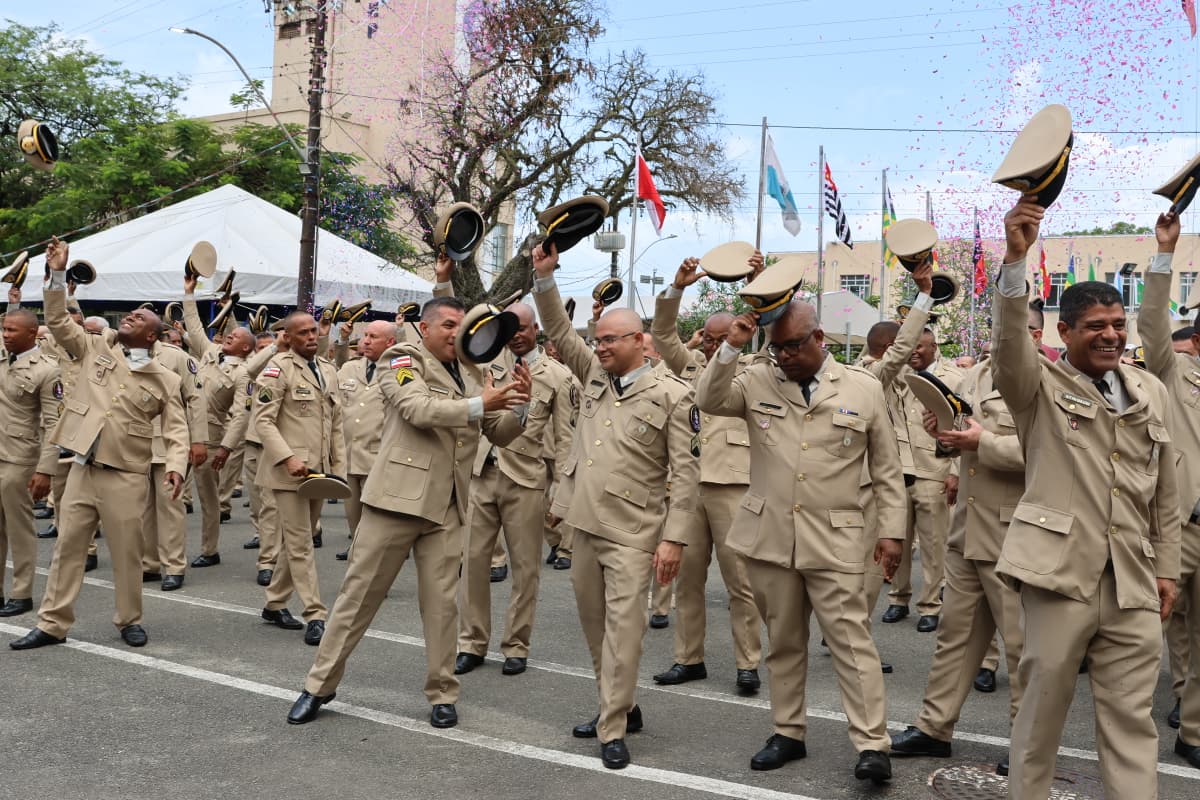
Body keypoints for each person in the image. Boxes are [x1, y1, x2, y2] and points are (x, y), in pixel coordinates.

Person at [992, 197, 1180, 797]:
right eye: (1096, 326)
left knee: (1131, 721)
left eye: (1117, 325)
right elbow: (1009, 353)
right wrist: (1016, 262)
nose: (1111, 335)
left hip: (1131, 581)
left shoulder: (1147, 388)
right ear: (1064, 332)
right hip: (1059, 578)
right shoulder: (1037, 386)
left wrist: (1168, 568)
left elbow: (1166, 491)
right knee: (1040, 718)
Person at [287, 296, 530, 730]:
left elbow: (498, 433)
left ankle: (442, 692)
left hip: (448, 507)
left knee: (441, 609)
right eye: (450, 325)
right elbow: (416, 409)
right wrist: (480, 405)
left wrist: (520, 407)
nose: (459, 333)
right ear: (426, 327)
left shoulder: (476, 372)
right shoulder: (402, 358)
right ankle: (318, 685)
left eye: (464, 326)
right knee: (357, 599)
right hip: (396, 501)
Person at [695, 299, 903, 785]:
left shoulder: (863, 388)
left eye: (792, 345)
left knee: (853, 644)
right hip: (771, 537)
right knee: (783, 642)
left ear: (819, 338)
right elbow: (708, 399)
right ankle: (788, 732)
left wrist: (893, 531)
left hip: (836, 538)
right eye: (776, 347)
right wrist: (731, 345)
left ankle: (873, 745)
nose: (783, 356)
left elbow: (888, 471)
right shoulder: (754, 378)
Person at [531, 242, 700, 771]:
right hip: (585, 524)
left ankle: (612, 727)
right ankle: (621, 702)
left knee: (624, 629)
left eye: (608, 340)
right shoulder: (593, 376)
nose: (598, 346)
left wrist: (672, 539)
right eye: (597, 339)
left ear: (640, 343)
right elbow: (559, 331)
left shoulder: (675, 395)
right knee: (594, 626)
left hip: (634, 530)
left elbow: (687, 473)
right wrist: (544, 278)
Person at [10, 236, 188, 650]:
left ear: (152, 337)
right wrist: (56, 272)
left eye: (140, 317)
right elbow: (56, 320)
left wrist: (176, 465)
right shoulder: (93, 349)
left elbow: (177, 429)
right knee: (67, 549)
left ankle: (129, 619)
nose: (130, 315)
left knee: (127, 555)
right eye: (130, 313)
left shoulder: (167, 378)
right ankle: (53, 623)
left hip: (126, 475)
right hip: (81, 468)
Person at [890, 304, 1043, 776]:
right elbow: (959, 435)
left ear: (1036, 334)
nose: (1005, 338)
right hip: (968, 527)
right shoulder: (975, 375)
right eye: (999, 329)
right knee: (955, 637)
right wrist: (944, 436)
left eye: (1019, 330)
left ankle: (1027, 745)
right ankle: (935, 728)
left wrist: (983, 443)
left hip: (1014, 530)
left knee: (1020, 646)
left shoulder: (1049, 383)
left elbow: (1049, 454)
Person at [647, 255, 764, 693]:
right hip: (690, 487)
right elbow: (661, 335)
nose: (713, 348)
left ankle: (747, 663)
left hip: (734, 485)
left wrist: (756, 281)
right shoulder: (692, 367)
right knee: (687, 580)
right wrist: (676, 290)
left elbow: (770, 336)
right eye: (709, 340)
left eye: (722, 340)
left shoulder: (755, 370)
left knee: (741, 583)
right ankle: (688, 658)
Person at [456, 302, 575, 677]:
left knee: (526, 570)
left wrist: (563, 491)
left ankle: (516, 645)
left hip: (525, 479)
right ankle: (472, 642)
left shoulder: (557, 376)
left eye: (522, 328)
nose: (516, 335)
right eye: (509, 329)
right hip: (482, 474)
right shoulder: (487, 367)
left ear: (536, 328)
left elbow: (566, 439)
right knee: (473, 564)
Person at [1138, 210, 1200, 770]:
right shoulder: (1176, 372)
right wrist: (1165, 255)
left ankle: (1194, 733)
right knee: (1141, 629)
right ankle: (1125, 722)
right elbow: (1154, 324)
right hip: (1176, 523)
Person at [252, 311, 346, 647]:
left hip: (318, 471)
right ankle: (315, 614)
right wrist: (287, 457)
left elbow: (336, 424)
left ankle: (275, 602)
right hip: (287, 472)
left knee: (300, 537)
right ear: (287, 338)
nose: (311, 336)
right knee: (302, 543)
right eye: (302, 332)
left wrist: (339, 470)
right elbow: (263, 421)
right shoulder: (277, 370)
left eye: (313, 331)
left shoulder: (329, 371)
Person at [883, 327, 962, 632]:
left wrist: (955, 470)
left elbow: (962, 426)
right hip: (898, 471)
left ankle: (930, 604)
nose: (913, 352)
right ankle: (898, 598)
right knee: (896, 537)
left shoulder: (952, 378)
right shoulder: (896, 375)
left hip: (934, 470)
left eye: (920, 347)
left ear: (933, 347)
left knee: (933, 543)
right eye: (909, 348)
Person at [182, 277, 256, 567]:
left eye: (236, 336)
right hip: (180, 430)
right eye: (229, 334)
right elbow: (195, 328)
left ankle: (209, 550)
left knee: (209, 499)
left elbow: (241, 415)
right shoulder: (210, 354)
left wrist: (226, 448)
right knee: (167, 493)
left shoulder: (243, 374)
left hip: (211, 438)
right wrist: (189, 294)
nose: (229, 336)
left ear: (246, 349)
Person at [0, 303, 61, 617]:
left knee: (19, 528)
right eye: (4, 329)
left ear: (32, 334)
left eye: (12, 330)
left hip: (21, 458)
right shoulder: (1, 356)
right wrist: (12, 298)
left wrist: (45, 470)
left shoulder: (47, 370)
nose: (6, 335)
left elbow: (54, 424)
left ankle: (21, 593)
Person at [334, 320, 396, 560]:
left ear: (390, 342)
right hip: (349, 457)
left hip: (378, 458)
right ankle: (359, 554)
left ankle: (370, 564)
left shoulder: (399, 371)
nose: (366, 340)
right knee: (353, 517)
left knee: (377, 522)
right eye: (365, 335)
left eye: (373, 337)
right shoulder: (350, 369)